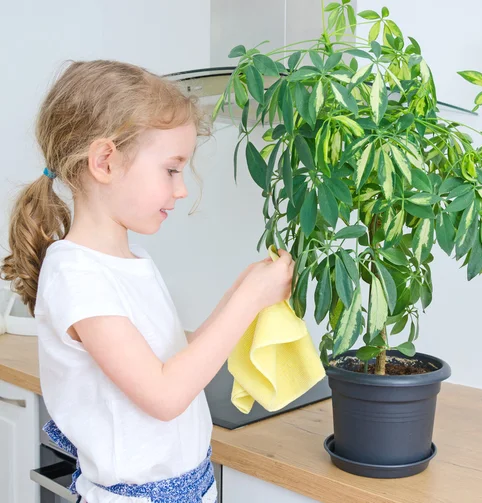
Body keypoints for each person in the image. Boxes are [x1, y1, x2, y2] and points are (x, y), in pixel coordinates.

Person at [0, 59, 294, 503]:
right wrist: (249, 301)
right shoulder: (76, 275)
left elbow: (171, 359)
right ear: (105, 161)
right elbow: (164, 394)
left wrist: (241, 290)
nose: (181, 189)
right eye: (172, 169)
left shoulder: (130, 261)